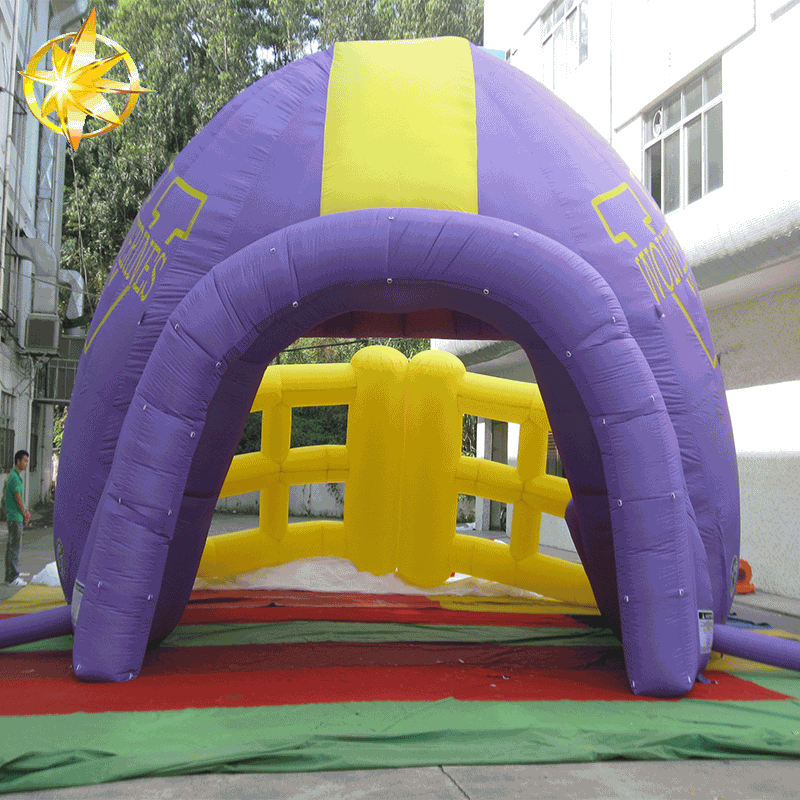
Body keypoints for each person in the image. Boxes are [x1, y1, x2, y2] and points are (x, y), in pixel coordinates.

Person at [5, 450, 30, 587]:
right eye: (24, 460)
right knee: (14, 547)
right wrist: (25, 513)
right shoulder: (14, 477)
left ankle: (9, 576)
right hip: (15, 517)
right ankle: (13, 577)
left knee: (11, 547)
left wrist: (26, 512)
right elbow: (18, 498)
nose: (26, 464)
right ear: (18, 461)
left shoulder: (16, 476)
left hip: (15, 517)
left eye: (27, 461)